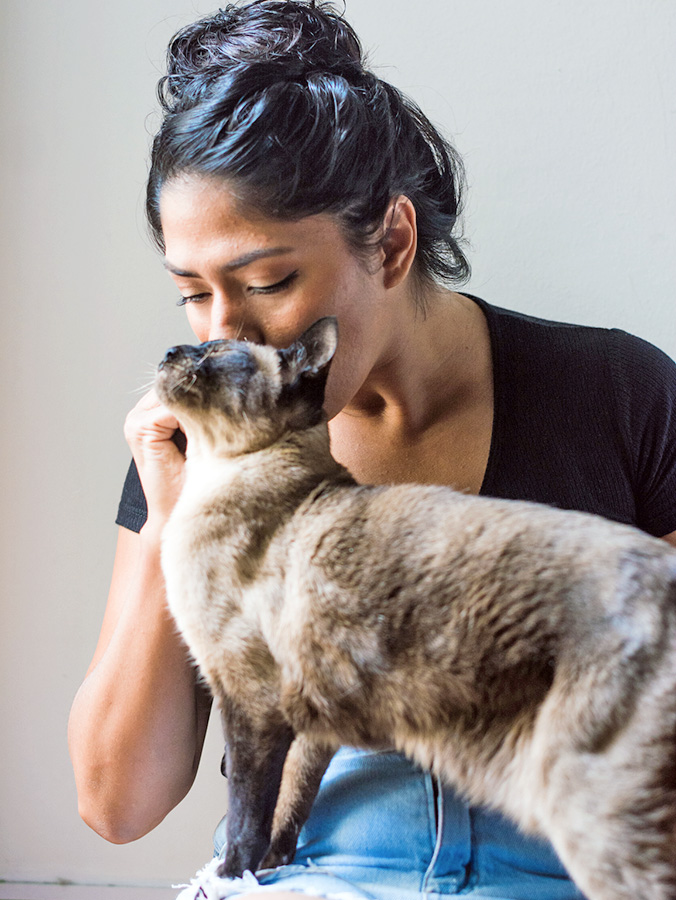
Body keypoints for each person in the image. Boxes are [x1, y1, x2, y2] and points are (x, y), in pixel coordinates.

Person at [68, 2, 676, 898]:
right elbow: (118, 801)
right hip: (309, 873)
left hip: (568, 860)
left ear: (392, 241)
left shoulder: (618, 391)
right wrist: (172, 523)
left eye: (268, 281)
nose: (228, 334)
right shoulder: (213, 435)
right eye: (191, 295)